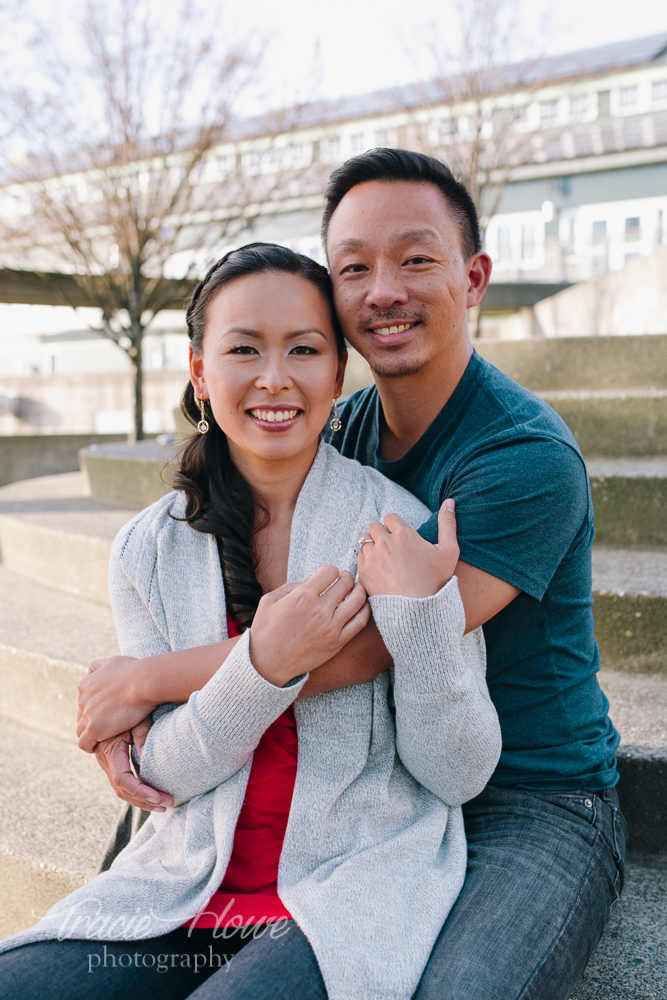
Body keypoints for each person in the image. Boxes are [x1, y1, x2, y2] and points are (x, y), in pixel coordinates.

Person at [83, 149, 627, 1000]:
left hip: (533, 793)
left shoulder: (523, 457)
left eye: (415, 259)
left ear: (474, 276)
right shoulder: (343, 428)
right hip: (386, 782)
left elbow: (364, 645)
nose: (383, 290)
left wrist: (144, 681)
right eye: (353, 268)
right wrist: (138, 723)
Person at [0, 243, 501, 1000]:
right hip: (181, 888)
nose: (275, 378)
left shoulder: (396, 528)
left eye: (304, 349)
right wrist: (261, 664)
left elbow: (457, 774)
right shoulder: (150, 546)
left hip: (343, 889)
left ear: (337, 373)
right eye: (244, 350)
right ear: (201, 372)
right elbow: (159, 772)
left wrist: (425, 617)